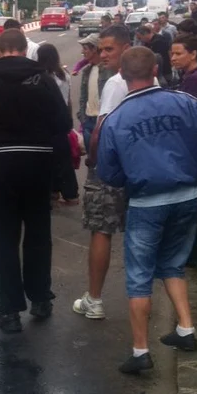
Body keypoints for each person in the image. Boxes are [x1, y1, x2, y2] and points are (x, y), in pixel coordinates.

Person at [96, 46, 197, 374]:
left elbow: (108, 173)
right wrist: (196, 167)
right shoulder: (185, 102)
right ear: (156, 69)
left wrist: (132, 177)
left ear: (123, 76)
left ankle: (141, 351)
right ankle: (186, 329)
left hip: (145, 202)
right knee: (174, 263)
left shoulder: (116, 120)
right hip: (187, 197)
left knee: (139, 276)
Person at [0, 28, 72, 332]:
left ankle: (8, 310)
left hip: (1, 161)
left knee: (3, 236)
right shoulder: (43, 78)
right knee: (38, 232)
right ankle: (40, 299)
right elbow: (63, 123)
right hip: (38, 161)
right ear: (25, 50)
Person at [73, 25, 138, 320]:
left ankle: (95, 299)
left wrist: (94, 161)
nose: (102, 55)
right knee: (139, 233)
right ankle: (142, 300)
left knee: (101, 230)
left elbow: (101, 128)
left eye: (109, 49)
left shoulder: (115, 82)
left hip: (110, 167)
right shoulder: (148, 78)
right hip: (139, 166)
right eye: (101, 49)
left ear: (126, 48)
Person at [171, 32, 197, 266]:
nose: (173, 58)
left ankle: (192, 252)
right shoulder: (189, 74)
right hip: (189, 142)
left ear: (193, 53)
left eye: (178, 53)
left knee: (190, 200)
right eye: (172, 53)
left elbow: (184, 113)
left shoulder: (195, 78)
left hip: (190, 143)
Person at [37, 43, 79, 205]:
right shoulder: (64, 75)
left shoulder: (43, 77)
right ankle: (70, 193)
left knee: (47, 158)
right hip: (62, 121)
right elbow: (67, 100)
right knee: (63, 158)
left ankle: (53, 191)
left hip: (47, 121)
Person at [77, 34, 113, 152]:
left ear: (94, 49)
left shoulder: (108, 71)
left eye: (85, 49)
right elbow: (83, 98)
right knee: (91, 162)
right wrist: (83, 118)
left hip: (103, 122)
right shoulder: (87, 71)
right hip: (88, 121)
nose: (83, 52)